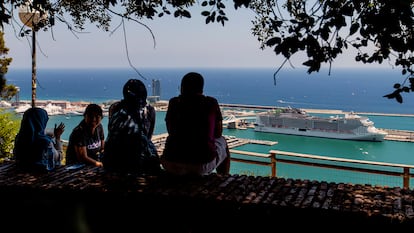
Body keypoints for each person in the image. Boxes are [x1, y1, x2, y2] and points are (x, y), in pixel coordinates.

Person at [160, 72, 231, 176]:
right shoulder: (211, 103)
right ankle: (223, 179)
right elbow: (218, 133)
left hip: (170, 162)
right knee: (223, 142)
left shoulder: (174, 103)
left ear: (182, 88)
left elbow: (170, 130)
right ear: (201, 89)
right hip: (201, 165)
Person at [102, 79, 160, 174]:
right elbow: (148, 137)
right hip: (137, 163)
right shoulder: (149, 110)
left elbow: (111, 131)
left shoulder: (115, 108)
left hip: (111, 160)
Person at [13, 107, 65, 172]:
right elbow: (59, 157)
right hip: (40, 176)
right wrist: (58, 137)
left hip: (20, 171)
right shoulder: (45, 142)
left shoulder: (19, 138)